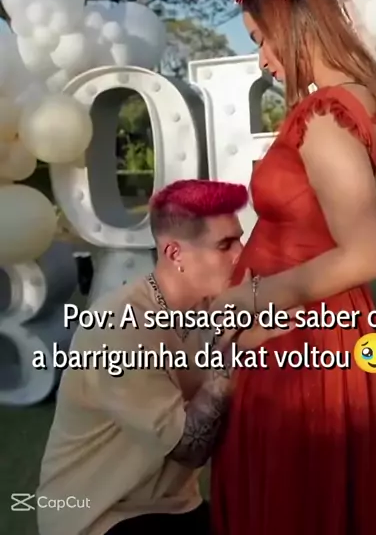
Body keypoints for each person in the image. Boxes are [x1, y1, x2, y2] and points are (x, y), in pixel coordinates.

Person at [208, 0, 376, 535]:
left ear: (293, 22)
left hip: (300, 339)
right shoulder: (364, 107)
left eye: (261, 39)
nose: (262, 59)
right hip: (316, 329)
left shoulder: (326, 117)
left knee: (288, 506)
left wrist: (250, 298)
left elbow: (366, 252)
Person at [37, 179, 295, 535]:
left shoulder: (211, 305)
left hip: (173, 506)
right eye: (225, 245)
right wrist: (229, 360)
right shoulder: (121, 326)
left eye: (240, 239)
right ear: (175, 254)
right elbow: (189, 448)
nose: (240, 253)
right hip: (100, 516)